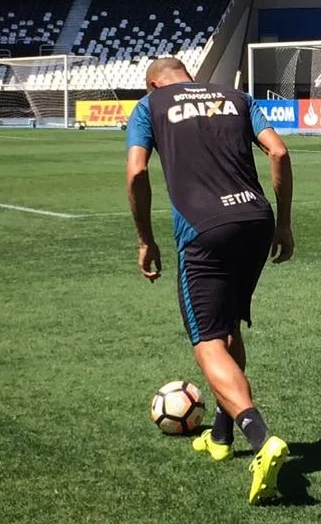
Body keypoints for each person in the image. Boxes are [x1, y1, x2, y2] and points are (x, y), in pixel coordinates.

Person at [125, 57, 294, 503]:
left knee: (207, 343)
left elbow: (137, 171)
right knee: (229, 326)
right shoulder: (238, 97)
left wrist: (145, 239)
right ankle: (220, 436)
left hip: (205, 229)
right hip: (257, 219)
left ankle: (261, 439)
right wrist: (285, 224)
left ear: (152, 83)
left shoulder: (150, 106)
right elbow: (278, 151)